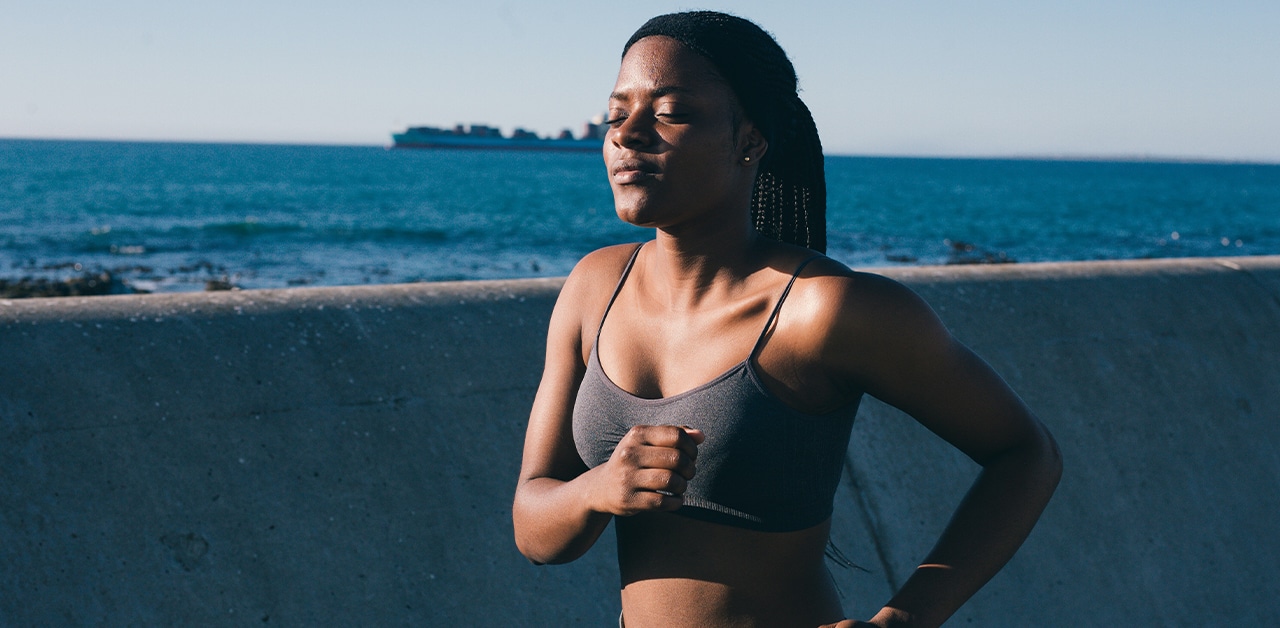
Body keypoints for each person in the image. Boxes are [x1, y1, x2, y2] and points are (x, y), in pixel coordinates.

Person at [512, 11, 1061, 627]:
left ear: (749, 140)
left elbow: (1026, 452)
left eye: (670, 111)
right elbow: (537, 534)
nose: (628, 135)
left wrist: (905, 620)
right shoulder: (594, 287)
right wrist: (600, 488)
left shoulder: (826, 310)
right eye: (617, 113)